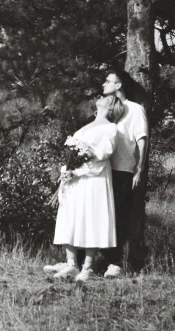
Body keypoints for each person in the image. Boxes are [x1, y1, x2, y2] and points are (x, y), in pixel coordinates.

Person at [44, 94, 124, 282]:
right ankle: (71, 264)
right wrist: (66, 170)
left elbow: (101, 156)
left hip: (93, 178)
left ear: (111, 106)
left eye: (106, 97)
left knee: (91, 217)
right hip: (74, 178)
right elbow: (73, 151)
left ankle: (87, 267)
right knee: (71, 216)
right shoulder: (87, 125)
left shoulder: (111, 128)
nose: (101, 97)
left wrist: (78, 171)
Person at [101, 69, 149, 279]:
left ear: (118, 85)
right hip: (102, 170)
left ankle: (116, 262)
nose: (104, 84)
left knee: (120, 216)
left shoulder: (135, 109)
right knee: (102, 216)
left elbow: (142, 139)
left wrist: (138, 169)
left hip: (123, 170)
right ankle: (93, 260)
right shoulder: (107, 108)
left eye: (108, 81)